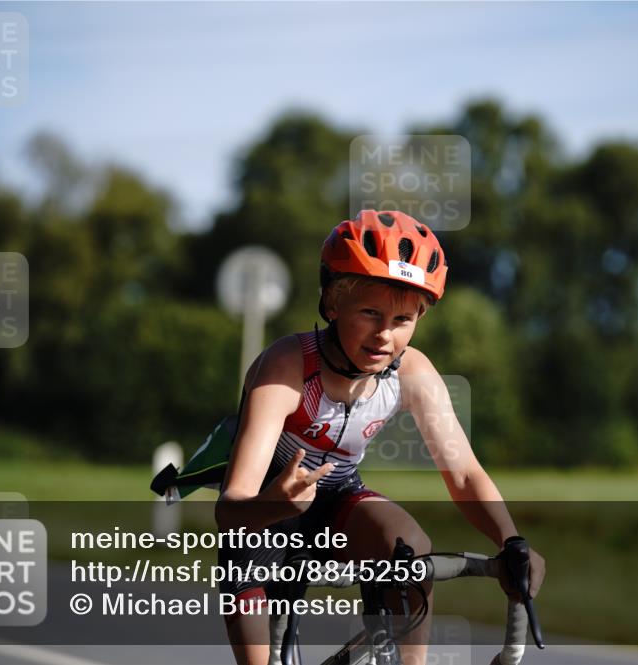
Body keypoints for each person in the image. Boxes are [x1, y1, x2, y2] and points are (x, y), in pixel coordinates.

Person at [214, 209, 545, 665]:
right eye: (370, 312)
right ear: (332, 303)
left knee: (410, 547)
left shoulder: (412, 371)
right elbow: (230, 509)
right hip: (261, 519)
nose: (384, 334)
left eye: (403, 319)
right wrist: (275, 505)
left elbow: (465, 474)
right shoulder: (288, 365)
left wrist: (511, 543)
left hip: (337, 498)